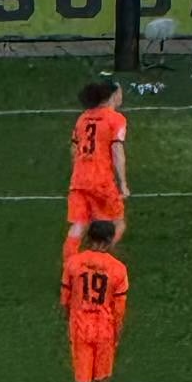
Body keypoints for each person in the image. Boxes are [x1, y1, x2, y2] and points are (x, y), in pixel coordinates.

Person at [60, 219, 129, 382]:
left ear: (89, 238)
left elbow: (65, 301)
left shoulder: (73, 263)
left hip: (80, 329)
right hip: (105, 330)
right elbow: (119, 309)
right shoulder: (118, 269)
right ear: (110, 241)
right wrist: (116, 333)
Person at [65, 81, 128, 266]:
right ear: (114, 95)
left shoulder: (83, 118)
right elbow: (117, 151)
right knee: (117, 223)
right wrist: (123, 183)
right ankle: (97, 263)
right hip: (101, 179)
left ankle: (70, 267)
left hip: (78, 179)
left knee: (78, 225)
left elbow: (73, 150)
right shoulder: (116, 119)